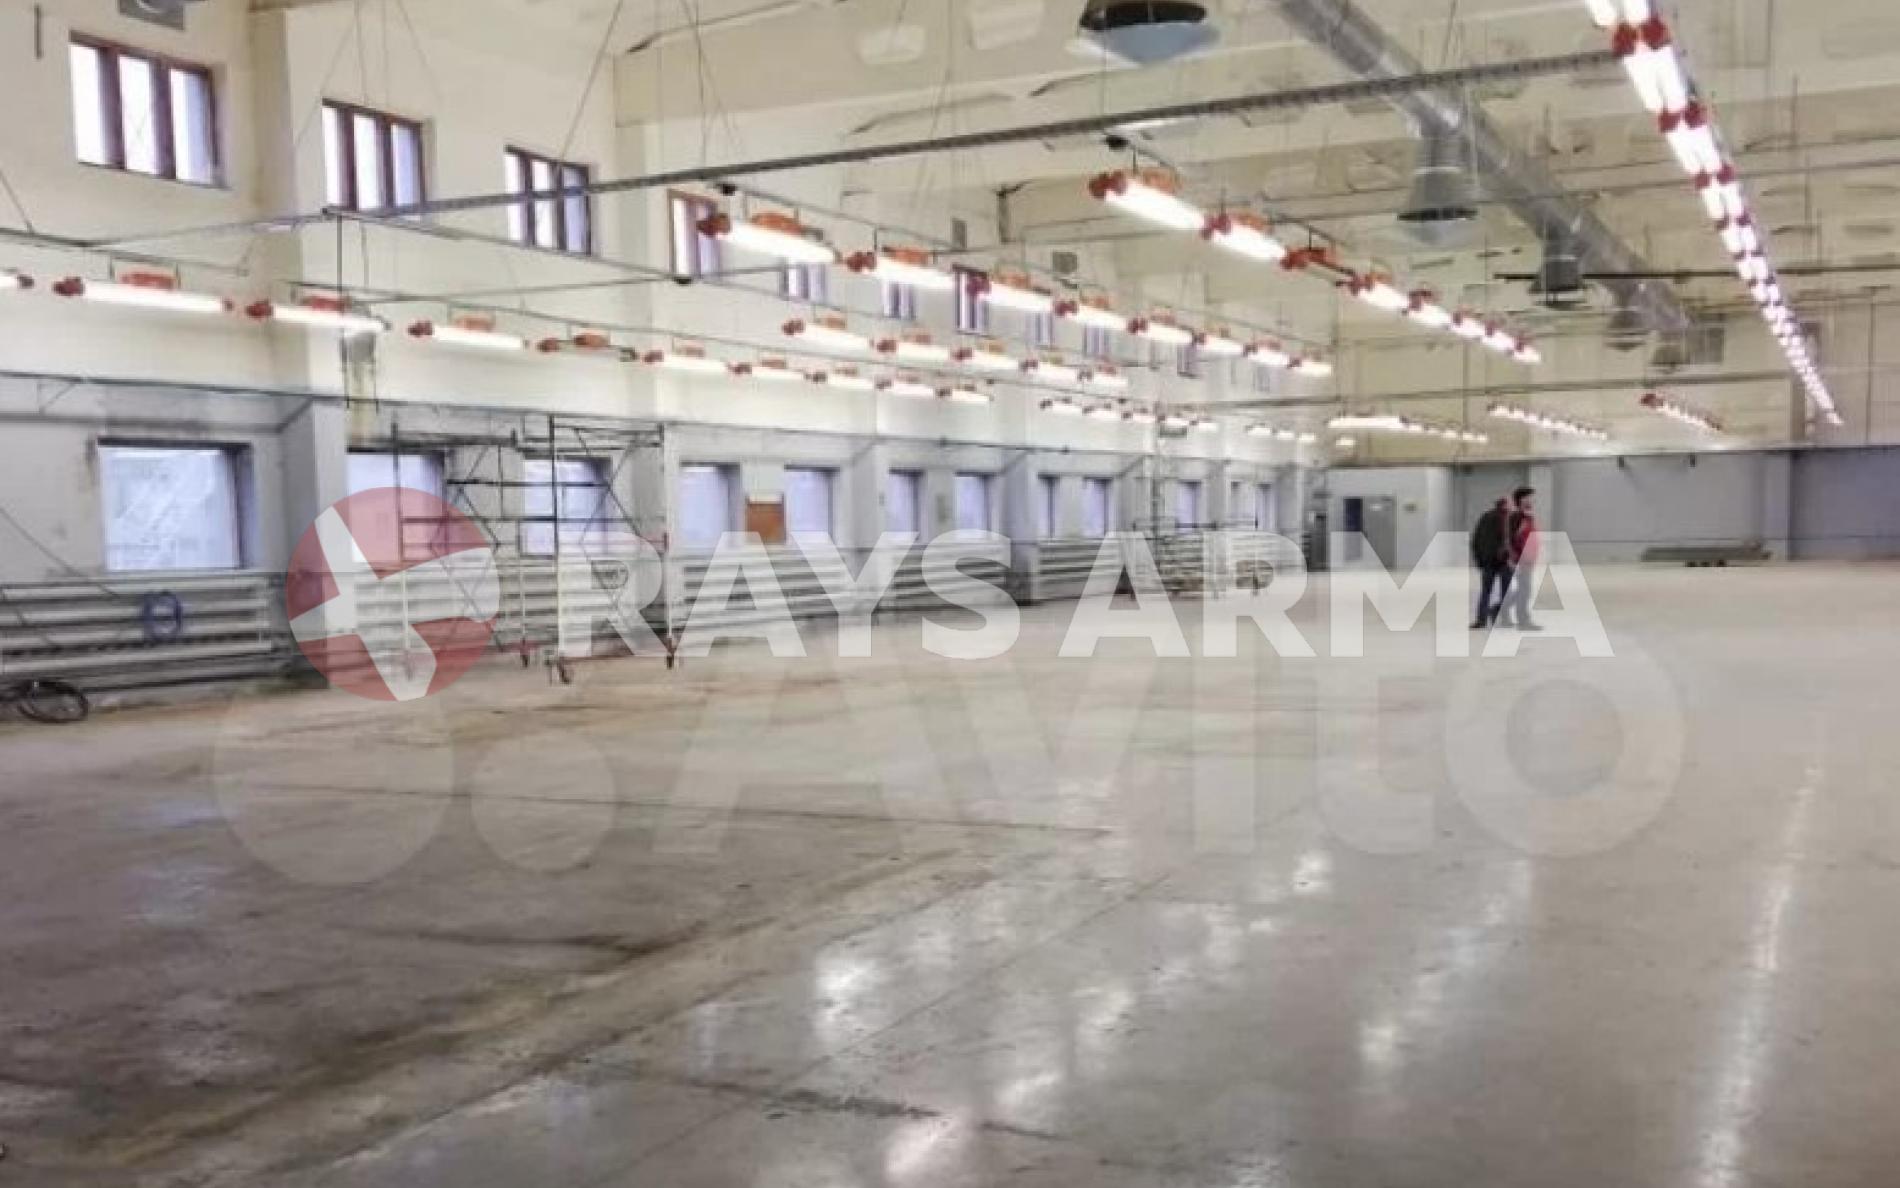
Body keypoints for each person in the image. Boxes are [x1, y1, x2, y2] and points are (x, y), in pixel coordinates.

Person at [1499, 486, 1541, 630]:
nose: (1531, 500)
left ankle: (1501, 609)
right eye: (1528, 497)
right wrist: (1512, 558)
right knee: (1525, 590)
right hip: (1520, 559)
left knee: (1524, 590)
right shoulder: (1516, 517)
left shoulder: (1528, 516)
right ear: (1521, 499)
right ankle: (1523, 621)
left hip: (1529, 559)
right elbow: (1509, 539)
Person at [1469, 496, 1511, 628]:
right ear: (1504, 505)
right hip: (1502, 562)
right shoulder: (1507, 520)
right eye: (1509, 505)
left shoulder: (1485, 518)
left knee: (1487, 591)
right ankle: (1500, 616)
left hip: (1490, 562)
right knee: (1505, 591)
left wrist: (1479, 560)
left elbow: (1475, 541)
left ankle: (1482, 619)